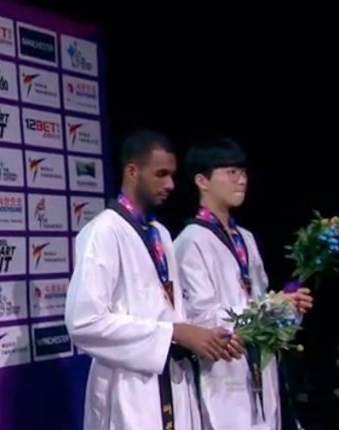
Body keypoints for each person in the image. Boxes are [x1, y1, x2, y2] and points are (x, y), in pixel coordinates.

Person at [65, 129, 244, 430]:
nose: (170, 184)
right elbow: (84, 322)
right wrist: (174, 333)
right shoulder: (104, 231)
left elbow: (170, 312)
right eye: (160, 174)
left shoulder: (159, 234)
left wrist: (207, 338)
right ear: (132, 172)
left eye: (172, 175)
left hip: (172, 379)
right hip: (128, 390)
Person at [174, 137, 312, 430]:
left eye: (243, 171)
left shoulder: (245, 238)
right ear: (202, 181)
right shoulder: (190, 242)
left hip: (260, 369)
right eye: (231, 172)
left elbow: (258, 300)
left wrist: (288, 309)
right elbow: (201, 319)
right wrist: (269, 308)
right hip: (222, 375)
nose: (241, 180)